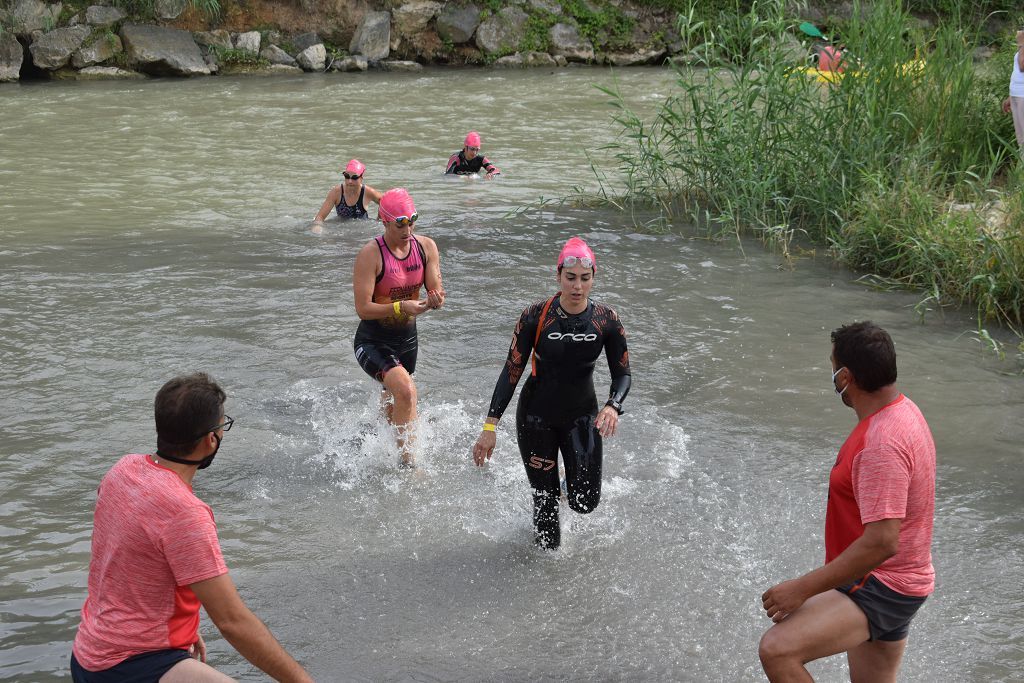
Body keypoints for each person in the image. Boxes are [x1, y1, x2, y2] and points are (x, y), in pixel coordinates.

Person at [71, 373, 313, 683]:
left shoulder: (123, 469)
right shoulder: (185, 513)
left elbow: (126, 557)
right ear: (210, 439)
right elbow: (232, 622)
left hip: (88, 653)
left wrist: (180, 627)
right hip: (134, 667)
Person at [759, 322, 936, 683]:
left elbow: (883, 541)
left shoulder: (880, 444)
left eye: (832, 367)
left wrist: (803, 588)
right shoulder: (904, 411)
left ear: (845, 377)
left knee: (778, 650)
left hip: (879, 584)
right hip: (902, 581)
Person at [471, 237, 631, 549]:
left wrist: (613, 406)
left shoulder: (606, 320)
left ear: (593, 278)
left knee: (585, 503)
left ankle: (562, 483)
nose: (577, 287)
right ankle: (539, 582)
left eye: (585, 279)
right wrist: (490, 427)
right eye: (570, 278)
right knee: (546, 516)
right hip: (536, 418)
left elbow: (622, 373)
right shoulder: (535, 316)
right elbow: (512, 371)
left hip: (582, 417)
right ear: (558, 276)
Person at [352, 188, 445, 468]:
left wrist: (434, 300)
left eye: (412, 221)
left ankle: (381, 445)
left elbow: (435, 289)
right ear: (384, 221)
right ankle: (408, 465)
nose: (408, 229)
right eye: (400, 223)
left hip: (407, 340)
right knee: (406, 391)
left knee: (394, 403)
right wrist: (399, 306)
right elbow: (363, 308)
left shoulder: (426, 247)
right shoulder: (371, 254)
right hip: (372, 341)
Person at [311, 159, 384, 232]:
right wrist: (317, 228)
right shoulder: (336, 192)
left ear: (361, 178)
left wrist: (379, 219)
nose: (350, 181)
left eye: (354, 178)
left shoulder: (367, 192)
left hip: (363, 231)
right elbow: (320, 217)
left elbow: (384, 201)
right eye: (347, 176)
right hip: (342, 231)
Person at [1000, 29, 1024, 152]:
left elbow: (1022, 66)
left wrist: (1022, 43)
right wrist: (1011, 96)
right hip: (1017, 94)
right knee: (1021, 142)